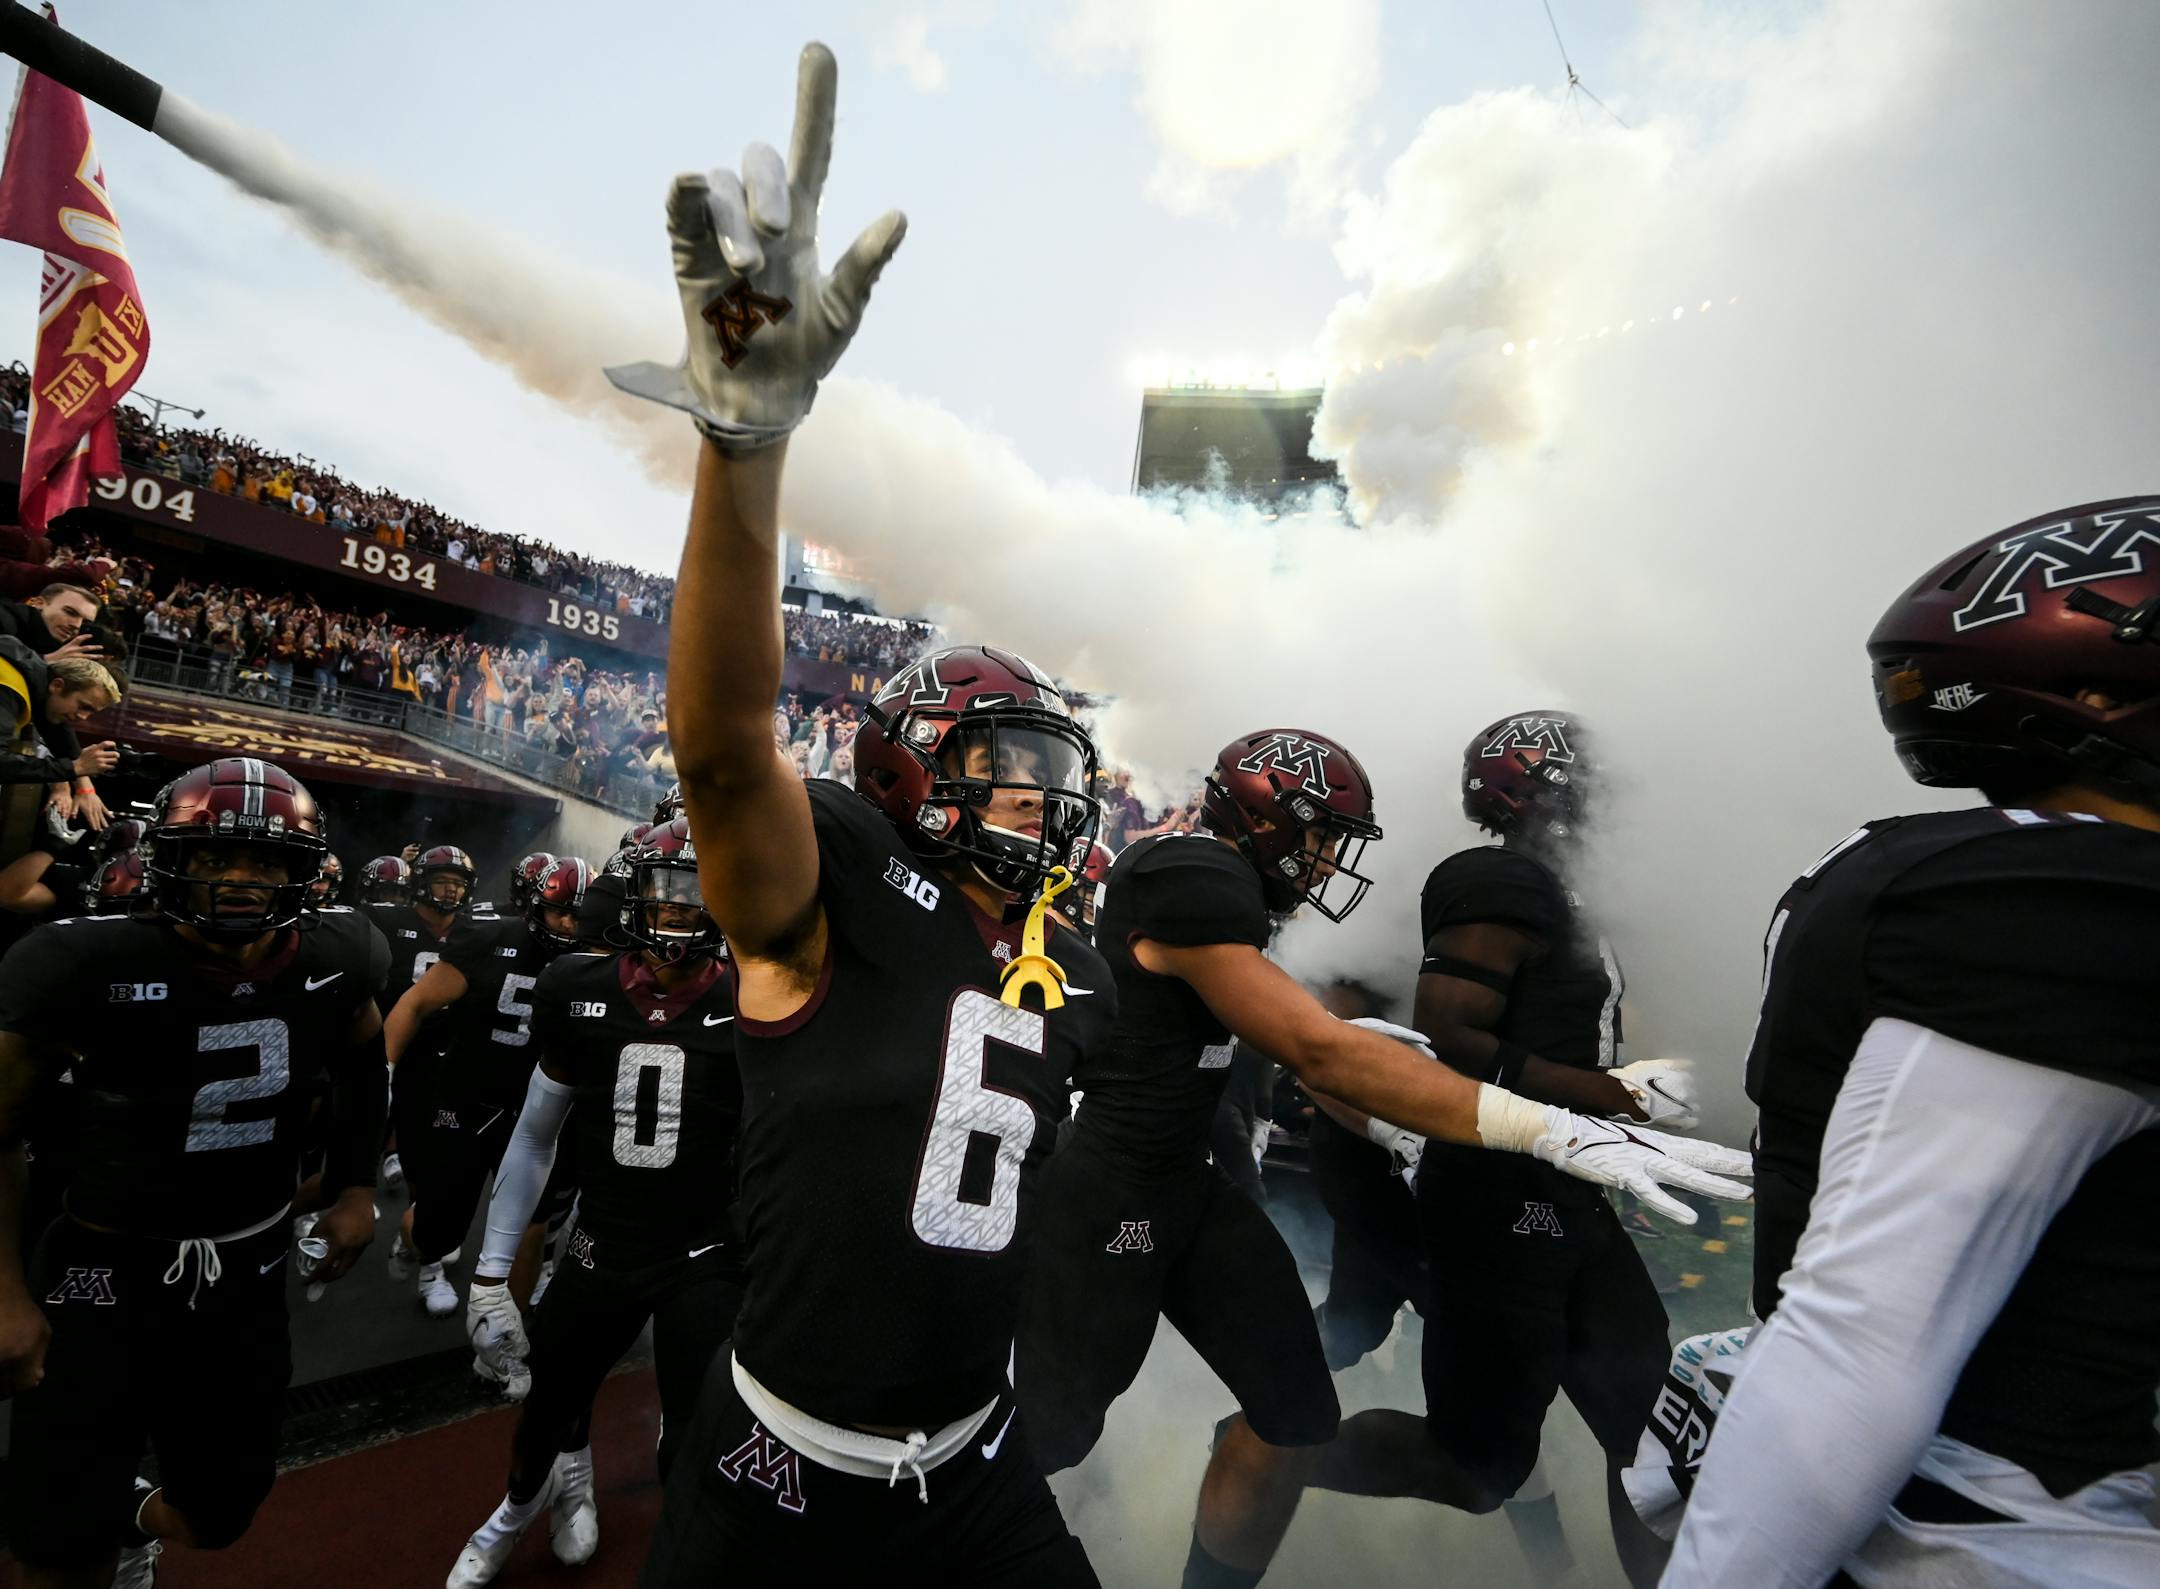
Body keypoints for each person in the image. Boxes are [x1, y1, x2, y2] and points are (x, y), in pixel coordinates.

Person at [608, 50, 1135, 1585]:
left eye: (1054, 764)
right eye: (1006, 761)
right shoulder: (841, 877)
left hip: (973, 1470)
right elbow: (717, 749)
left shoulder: (1071, 960)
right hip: (779, 1473)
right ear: (913, 770)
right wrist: (746, 445)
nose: (1041, 794)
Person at [1017, 726, 1745, 1589]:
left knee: (1297, 1415)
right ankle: (958, 1531)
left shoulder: (1228, 891)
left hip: (1191, 1182)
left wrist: (1385, 1088)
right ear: (1270, 819)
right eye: (1320, 835)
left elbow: (1307, 1043)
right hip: (1115, 1185)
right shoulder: (1191, 869)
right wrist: (1553, 1123)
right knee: (1047, 1436)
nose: (1328, 862)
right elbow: (1319, 1048)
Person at [1648, 498, 2160, 1587]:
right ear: (2104, 694)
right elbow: (1862, 1338)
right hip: (2012, 1529)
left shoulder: (1964, 865)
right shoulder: (2063, 899)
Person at [1300, 711, 1700, 1585]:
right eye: (1586, 782)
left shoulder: (1570, 889)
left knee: (1653, 1438)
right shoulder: (1501, 877)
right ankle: (1275, 1448)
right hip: (1494, 1198)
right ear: (1535, 788)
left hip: (1567, 1190)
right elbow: (1450, 1026)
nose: (1607, 800)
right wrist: (1611, 1094)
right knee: (1477, 1467)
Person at [0, 757, 389, 1588]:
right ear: (171, 857)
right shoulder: (84, 960)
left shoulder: (342, 952)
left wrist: (357, 1183)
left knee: (219, 1512)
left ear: (304, 871)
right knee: (55, 1549)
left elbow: (365, 1059)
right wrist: (3, 1291)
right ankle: (95, 1520)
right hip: (101, 1271)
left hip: (245, 1270)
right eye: (216, 858)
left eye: (267, 860)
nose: (242, 881)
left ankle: (129, 1511)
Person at [449, 840, 744, 1586]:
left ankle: (682, 1551)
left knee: (697, 1427)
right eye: (666, 891)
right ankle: (517, 1510)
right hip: (603, 1238)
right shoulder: (576, 985)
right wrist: (490, 1272)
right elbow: (535, 1132)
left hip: (703, 1252)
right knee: (548, 1400)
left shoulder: (750, 1000)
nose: (679, 909)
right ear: (633, 898)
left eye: (696, 892)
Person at [385, 844, 572, 1323]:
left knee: (531, 1228)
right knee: (435, 1231)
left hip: (536, 1113)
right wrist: (383, 1072)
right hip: (467, 1097)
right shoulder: (490, 936)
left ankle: (503, 1334)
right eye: (559, 912)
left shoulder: (595, 960)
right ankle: (418, 1251)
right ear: (534, 907)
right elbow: (415, 1002)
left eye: (579, 916)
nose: (570, 926)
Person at [366, 846, 489, 1217]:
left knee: (425, 1151)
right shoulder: (382, 920)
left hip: (437, 1055)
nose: (452, 891)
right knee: (357, 1130)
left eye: (458, 883)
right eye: (442, 881)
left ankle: (419, 1235)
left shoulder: (475, 931)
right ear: (421, 883)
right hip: (385, 1042)